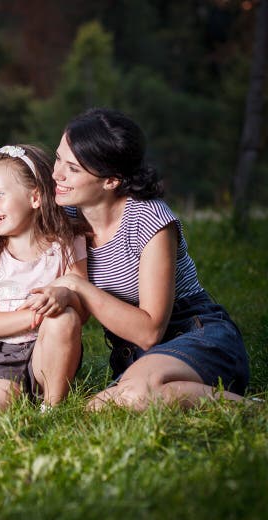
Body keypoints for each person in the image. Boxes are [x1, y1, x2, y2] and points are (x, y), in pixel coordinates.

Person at [50, 108, 250, 410]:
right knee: (101, 408)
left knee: (128, 397)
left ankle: (254, 412)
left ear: (111, 181)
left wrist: (77, 285)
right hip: (135, 355)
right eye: (58, 158)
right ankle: (232, 403)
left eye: (73, 169)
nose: (57, 174)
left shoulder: (149, 219)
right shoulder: (68, 213)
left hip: (194, 333)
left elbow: (150, 331)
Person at [0, 144, 88, 415]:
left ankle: (52, 405)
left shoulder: (65, 241)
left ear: (35, 197)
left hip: (49, 349)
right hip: (0, 355)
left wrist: (65, 297)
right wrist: (35, 314)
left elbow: (83, 309)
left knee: (64, 317)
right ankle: (13, 389)